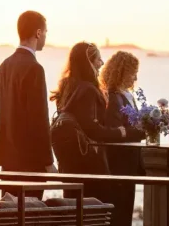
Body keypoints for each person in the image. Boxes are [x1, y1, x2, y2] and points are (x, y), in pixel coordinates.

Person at [0, 11, 55, 198]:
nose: (45, 36)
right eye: (45, 32)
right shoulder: (35, 69)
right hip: (30, 162)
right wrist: (47, 161)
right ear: (37, 33)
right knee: (29, 219)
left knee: (9, 219)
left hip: (8, 160)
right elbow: (39, 118)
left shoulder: (4, 66)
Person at [50, 42, 128, 174]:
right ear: (88, 62)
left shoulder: (66, 87)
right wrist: (119, 132)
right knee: (94, 195)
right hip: (89, 162)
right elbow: (92, 129)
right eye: (98, 59)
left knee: (72, 194)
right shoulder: (88, 90)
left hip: (69, 163)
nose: (102, 63)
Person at [98, 51, 147, 226]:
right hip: (120, 165)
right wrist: (141, 131)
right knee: (120, 215)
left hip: (129, 164)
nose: (135, 78)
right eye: (133, 72)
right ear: (122, 72)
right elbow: (115, 130)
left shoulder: (125, 96)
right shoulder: (114, 98)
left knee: (125, 213)